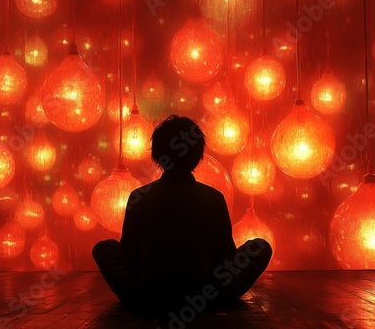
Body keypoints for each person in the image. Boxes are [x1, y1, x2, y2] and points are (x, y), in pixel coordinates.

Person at [92, 115, 272, 311]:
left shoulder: (139, 197)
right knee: (259, 246)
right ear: (198, 155)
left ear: (157, 155)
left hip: (147, 296)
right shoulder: (213, 198)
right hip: (207, 296)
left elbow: (128, 257)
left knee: (105, 247)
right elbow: (225, 259)